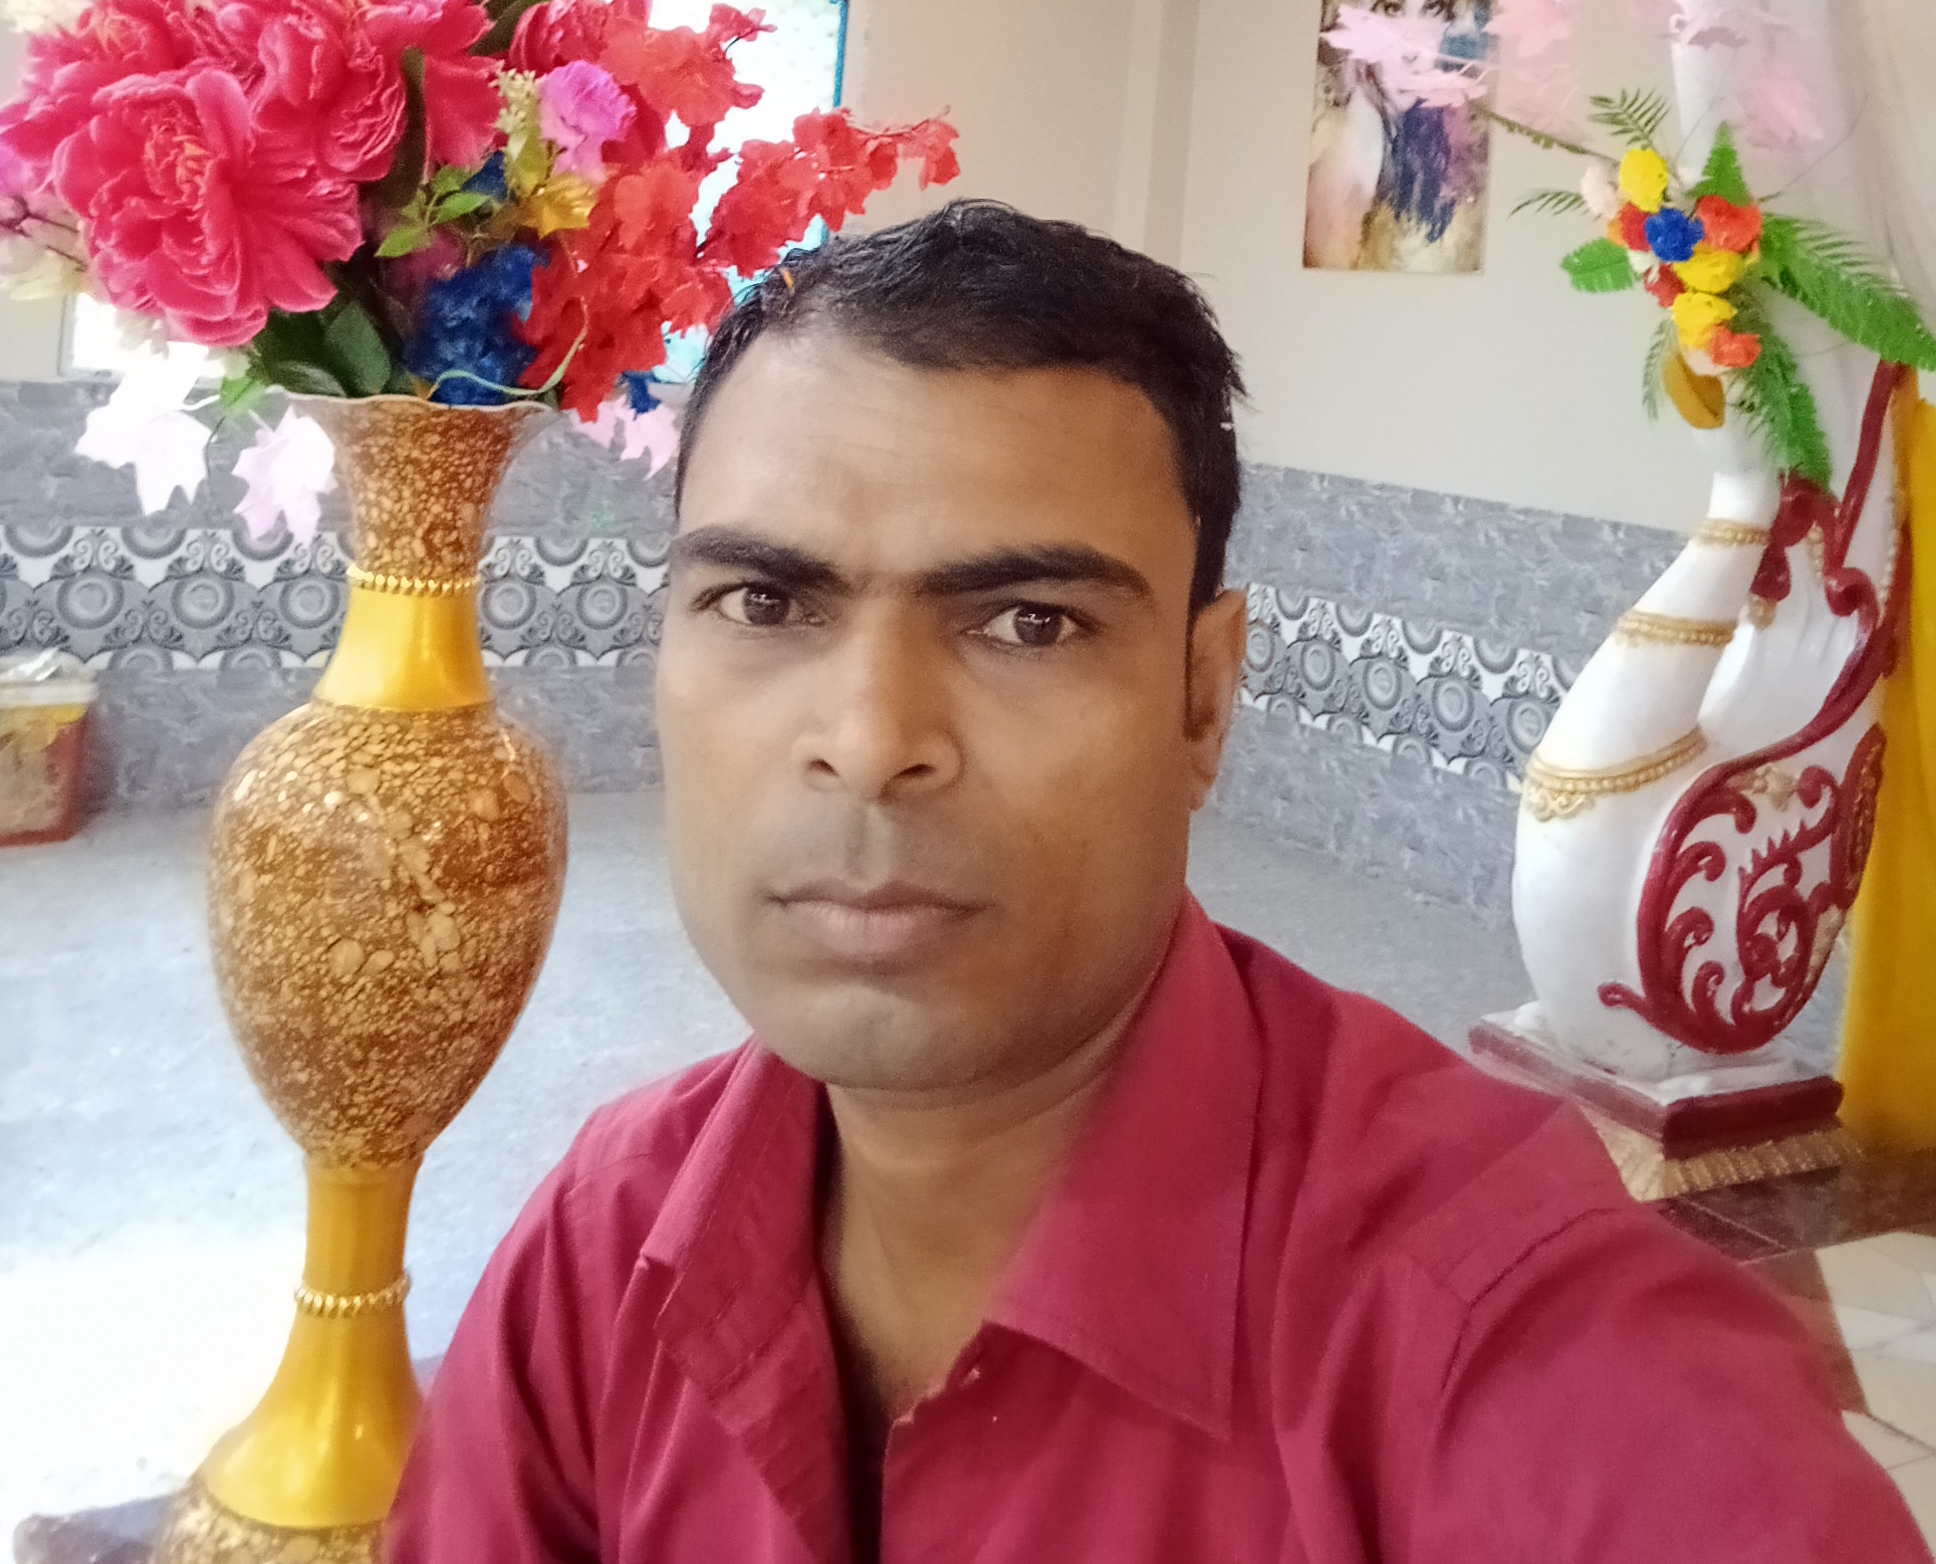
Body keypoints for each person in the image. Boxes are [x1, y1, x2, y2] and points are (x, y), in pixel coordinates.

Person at [387, 201, 1919, 1563]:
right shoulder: (603, 1252)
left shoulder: (1529, 1364)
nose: (869, 740)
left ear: (1202, 699)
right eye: (765, 601)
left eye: (1029, 623)